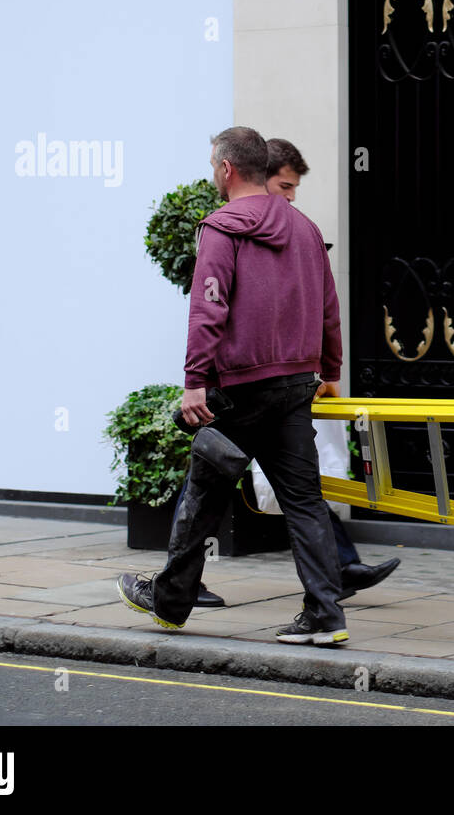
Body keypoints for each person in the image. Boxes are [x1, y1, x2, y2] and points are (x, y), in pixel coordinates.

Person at [117, 126, 349, 646]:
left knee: (204, 489)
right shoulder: (306, 228)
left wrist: (194, 380)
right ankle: (325, 615)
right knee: (304, 500)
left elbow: (209, 307)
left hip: (240, 386)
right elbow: (329, 309)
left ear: (226, 169)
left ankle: (171, 601)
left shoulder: (221, 228)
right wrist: (330, 371)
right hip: (294, 383)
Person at [264, 137, 400, 598]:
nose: (290, 197)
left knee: (295, 481)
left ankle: (341, 570)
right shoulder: (235, 231)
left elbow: (325, 308)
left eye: (294, 189)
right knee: (214, 475)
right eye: (284, 186)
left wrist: (328, 371)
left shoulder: (298, 233)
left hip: (279, 384)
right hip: (246, 383)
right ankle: (179, 578)